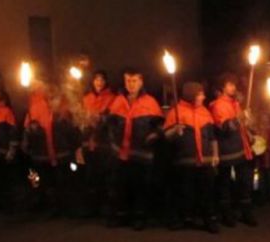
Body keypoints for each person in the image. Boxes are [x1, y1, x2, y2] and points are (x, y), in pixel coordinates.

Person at [107, 68, 164, 230]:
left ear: (141, 82)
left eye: (134, 81)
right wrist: (112, 142)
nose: (130, 84)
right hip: (120, 153)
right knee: (120, 186)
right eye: (128, 81)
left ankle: (139, 217)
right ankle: (120, 216)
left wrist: (154, 135)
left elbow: (160, 126)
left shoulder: (150, 102)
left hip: (141, 153)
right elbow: (110, 125)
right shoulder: (117, 101)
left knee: (140, 187)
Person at [164, 81, 220, 233]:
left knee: (207, 192)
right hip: (184, 161)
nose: (203, 97)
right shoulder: (176, 112)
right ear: (191, 95)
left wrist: (215, 154)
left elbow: (212, 137)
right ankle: (182, 218)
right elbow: (166, 137)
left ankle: (209, 220)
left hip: (205, 161)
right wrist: (175, 130)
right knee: (184, 192)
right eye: (200, 94)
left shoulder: (205, 112)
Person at [22, 84, 81, 217]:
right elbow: (27, 129)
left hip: (61, 153)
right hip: (42, 153)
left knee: (62, 180)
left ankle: (63, 206)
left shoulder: (63, 110)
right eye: (49, 94)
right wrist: (28, 139)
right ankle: (47, 204)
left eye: (54, 96)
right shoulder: (35, 108)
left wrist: (75, 146)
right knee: (43, 180)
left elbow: (74, 130)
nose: (51, 98)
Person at [210, 72, 258, 227]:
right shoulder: (218, 105)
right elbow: (225, 127)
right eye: (230, 84)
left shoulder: (235, 103)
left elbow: (241, 126)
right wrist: (240, 118)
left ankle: (246, 213)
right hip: (227, 150)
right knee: (225, 183)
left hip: (241, 148)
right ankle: (227, 215)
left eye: (234, 84)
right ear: (223, 87)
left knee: (245, 182)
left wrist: (249, 132)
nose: (233, 87)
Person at [81, 70, 116, 217]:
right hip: (88, 142)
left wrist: (101, 118)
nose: (99, 82)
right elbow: (81, 116)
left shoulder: (111, 97)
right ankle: (92, 206)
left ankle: (105, 206)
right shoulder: (86, 98)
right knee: (90, 174)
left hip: (103, 142)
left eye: (102, 80)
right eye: (96, 79)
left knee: (105, 174)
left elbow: (112, 117)